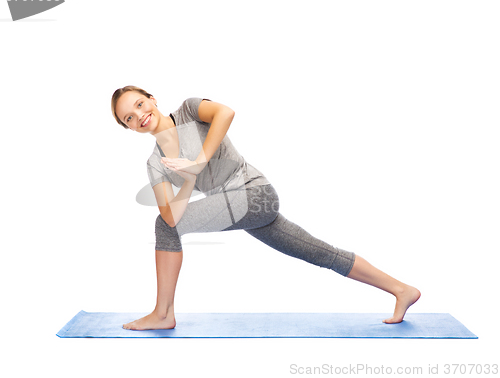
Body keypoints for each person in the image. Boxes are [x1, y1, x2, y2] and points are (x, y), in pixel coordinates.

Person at [111, 85, 421, 331]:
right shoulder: (156, 164)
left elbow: (226, 113)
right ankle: (401, 290)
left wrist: (198, 162)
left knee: (162, 227)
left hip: (255, 195)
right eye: (128, 117)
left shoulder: (190, 110)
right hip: (239, 211)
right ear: (129, 129)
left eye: (139, 104)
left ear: (152, 98)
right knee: (318, 252)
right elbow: (172, 216)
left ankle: (163, 313)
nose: (138, 115)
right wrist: (189, 179)